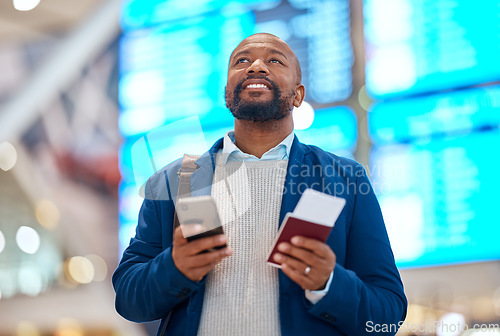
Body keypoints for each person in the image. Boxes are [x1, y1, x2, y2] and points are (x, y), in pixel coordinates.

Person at [113, 33, 407, 336]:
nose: (255, 66)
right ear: (227, 91)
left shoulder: (345, 179)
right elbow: (128, 300)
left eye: (274, 60)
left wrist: (329, 283)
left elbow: (388, 316)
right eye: (242, 60)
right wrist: (173, 268)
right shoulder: (174, 181)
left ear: (298, 95)